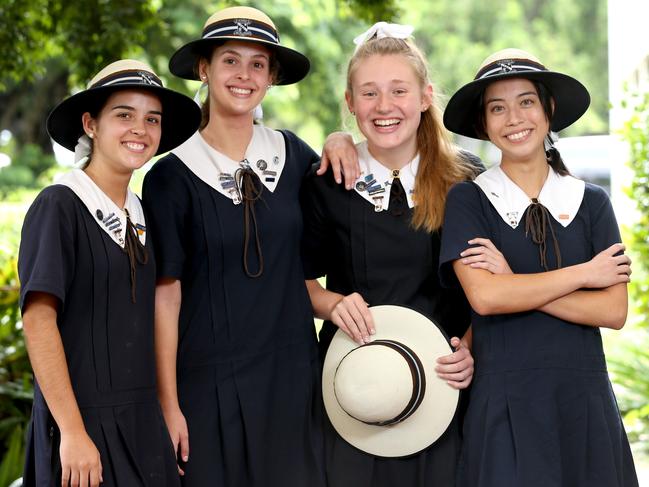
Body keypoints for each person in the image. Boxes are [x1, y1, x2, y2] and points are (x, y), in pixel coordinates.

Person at [142, 6, 358, 486]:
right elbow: (166, 296)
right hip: (207, 388)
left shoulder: (293, 155)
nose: (244, 75)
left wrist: (341, 137)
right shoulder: (170, 178)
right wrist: (168, 403)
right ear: (204, 69)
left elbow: (319, 258)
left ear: (272, 75)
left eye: (258, 64)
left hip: (292, 382)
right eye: (230, 61)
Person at [439, 48, 639, 487]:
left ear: (548, 110)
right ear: (482, 124)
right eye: (498, 107)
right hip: (503, 403)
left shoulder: (592, 203)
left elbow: (613, 312)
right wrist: (585, 275)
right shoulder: (469, 200)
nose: (514, 118)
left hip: (583, 404)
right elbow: (487, 299)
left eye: (526, 101)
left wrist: (515, 283)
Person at [301, 23, 483, 487]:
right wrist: (332, 303)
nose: (384, 107)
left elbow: (489, 286)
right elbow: (297, 282)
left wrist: (471, 347)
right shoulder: (326, 181)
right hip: (354, 386)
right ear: (350, 103)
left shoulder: (467, 179)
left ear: (425, 96)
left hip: (445, 385)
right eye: (369, 93)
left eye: (398, 91)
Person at [19, 59, 201, 486]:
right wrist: (72, 431)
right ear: (91, 124)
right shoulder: (59, 206)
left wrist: (166, 408)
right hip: (81, 428)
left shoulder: (140, 214)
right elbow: (38, 320)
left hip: (141, 421)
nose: (140, 129)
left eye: (151, 119)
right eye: (124, 115)